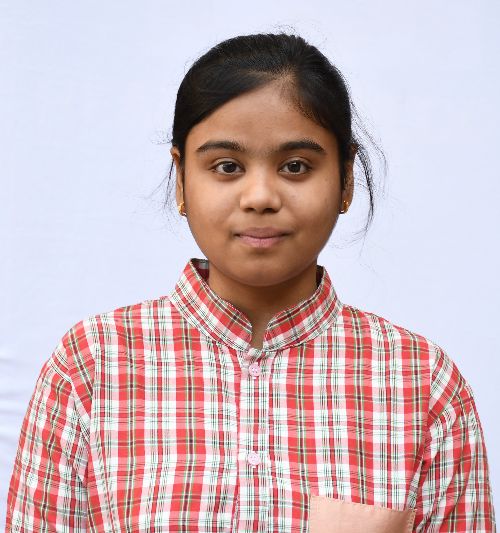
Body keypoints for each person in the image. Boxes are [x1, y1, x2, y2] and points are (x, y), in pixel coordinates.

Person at [6, 32, 496, 532]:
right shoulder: (93, 366)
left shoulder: (421, 384)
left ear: (346, 177)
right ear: (181, 178)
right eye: (227, 167)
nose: (260, 196)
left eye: (295, 166)